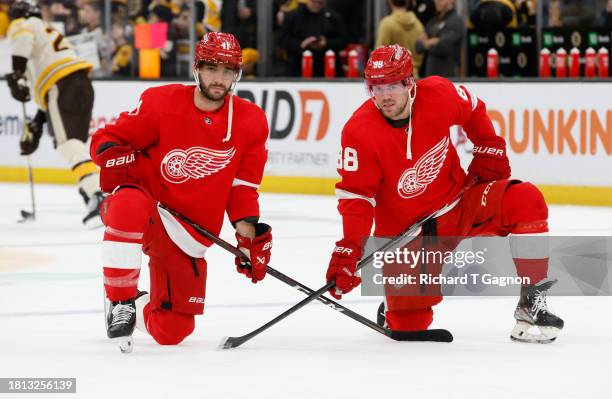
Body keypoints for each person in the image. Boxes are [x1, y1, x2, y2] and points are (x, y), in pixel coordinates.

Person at [325, 44, 564, 344]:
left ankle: (532, 300)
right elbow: (357, 198)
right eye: (376, 87)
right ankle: (394, 304)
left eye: (392, 86)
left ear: (409, 83)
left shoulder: (438, 94)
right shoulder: (358, 132)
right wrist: (350, 247)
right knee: (409, 327)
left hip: (459, 205)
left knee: (525, 199)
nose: (384, 96)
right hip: (407, 234)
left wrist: (487, 144)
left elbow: (474, 107)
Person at [90, 32, 272, 348]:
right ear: (197, 68)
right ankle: (120, 301)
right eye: (212, 68)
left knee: (172, 331)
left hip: (189, 231)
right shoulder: (161, 102)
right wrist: (112, 153)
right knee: (129, 203)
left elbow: (242, 187)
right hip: (149, 208)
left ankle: (138, 300)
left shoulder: (250, 121)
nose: (219, 79)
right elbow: (107, 139)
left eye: (228, 71)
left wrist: (247, 239)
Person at [5, 0, 103, 225]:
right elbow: (47, 92)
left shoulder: (24, 24)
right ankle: (94, 193)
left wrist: (18, 73)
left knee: (67, 144)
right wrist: (39, 123)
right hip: (81, 82)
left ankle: (97, 196)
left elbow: (23, 41)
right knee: (78, 142)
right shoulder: (47, 31)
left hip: (60, 84)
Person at [278, 0, 347, 77]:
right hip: (298, 67)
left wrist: (327, 43)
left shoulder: (333, 17)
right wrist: (301, 44)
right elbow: (282, 39)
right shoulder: (293, 16)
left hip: (327, 67)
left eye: (320, 3)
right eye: (314, 2)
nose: (317, 5)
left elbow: (344, 41)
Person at [375, 0, 424, 79]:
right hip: (413, 77)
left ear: (390, 2)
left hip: (391, 81)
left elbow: (378, 56)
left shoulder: (387, 24)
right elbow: (420, 54)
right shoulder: (418, 25)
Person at [415, 0, 464, 77]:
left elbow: (444, 46)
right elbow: (418, 46)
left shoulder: (456, 21)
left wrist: (428, 43)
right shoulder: (433, 21)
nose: (437, 1)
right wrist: (434, 42)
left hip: (449, 78)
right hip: (431, 78)